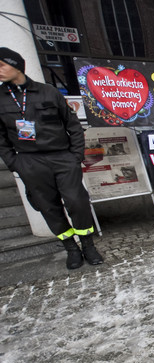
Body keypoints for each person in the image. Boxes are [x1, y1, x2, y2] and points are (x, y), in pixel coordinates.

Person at [0, 47, 103, 270]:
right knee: (48, 206)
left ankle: (88, 245)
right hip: (29, 161)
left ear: (16, 65)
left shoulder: (48, 92)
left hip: (62, 157)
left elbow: (73, 126)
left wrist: (75, 156)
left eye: (2, 65)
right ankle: (71, 248)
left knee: (77, 202)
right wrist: (14, 162)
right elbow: (1, 138)